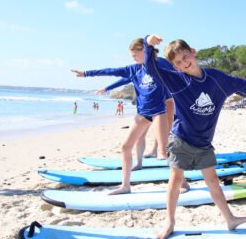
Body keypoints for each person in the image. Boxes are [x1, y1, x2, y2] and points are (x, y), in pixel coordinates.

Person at [144, 34, 246, 239]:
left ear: (193, 52)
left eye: (185, 56)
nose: (184, 63)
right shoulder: (177, 80)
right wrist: (148, 45)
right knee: (176, 180)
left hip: (204, 142)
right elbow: (151, 69)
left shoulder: (216, 78)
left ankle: (230, 219)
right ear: (175, 67)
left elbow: (240, 84)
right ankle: (169, 221)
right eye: (178, 62)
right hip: (181, 140)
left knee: (213, 181)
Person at [71, 38, 188, 195]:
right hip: (143, 113)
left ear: (144, 51)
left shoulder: (160, 64)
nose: (133, 58)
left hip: (160, 110)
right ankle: (125, 186)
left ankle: (184, 183)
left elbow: (178, 74)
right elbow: (111, 71)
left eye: (135, 55)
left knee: (165, 150)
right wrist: (86, 74)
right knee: (126, 147)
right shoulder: (134, 69)